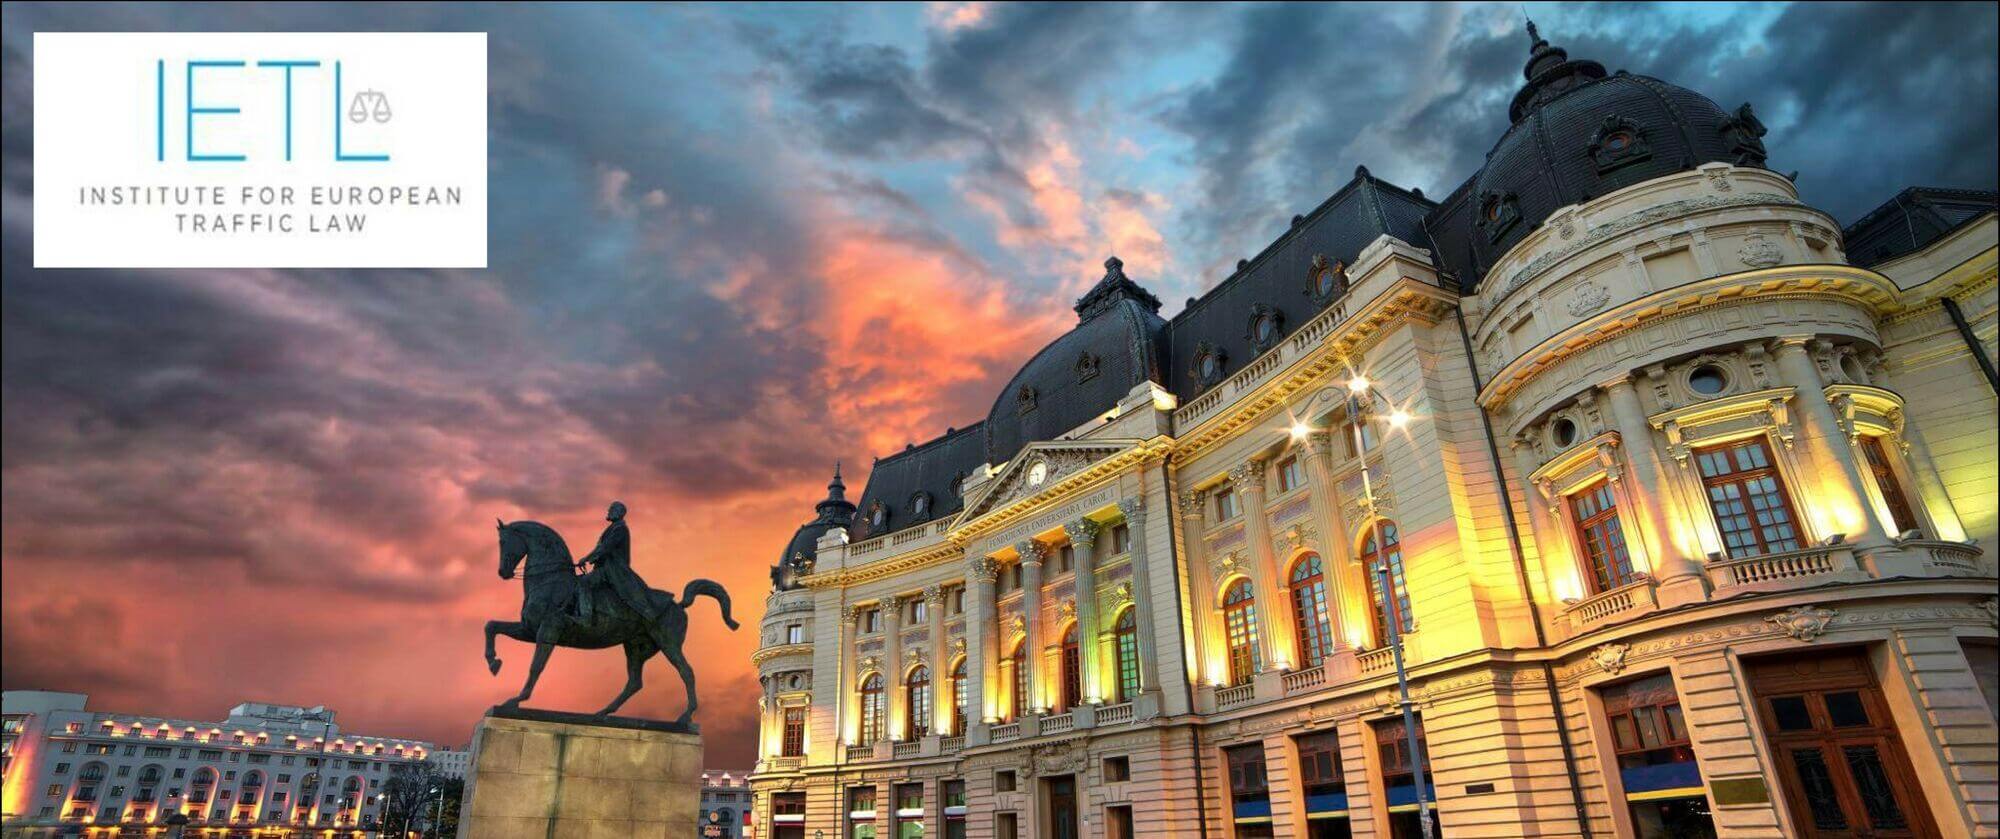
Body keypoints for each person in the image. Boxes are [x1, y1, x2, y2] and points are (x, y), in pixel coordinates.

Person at [573, 501, 664, 626]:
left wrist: (586, 559)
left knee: (584, 583)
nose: (608, 511)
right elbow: (601, 548)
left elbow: (605, 548)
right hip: (605, 567)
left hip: (612, 570)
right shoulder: (613, 528)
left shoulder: (620, 529)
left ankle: (586, 617)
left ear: (619, 513)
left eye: (611, 509)